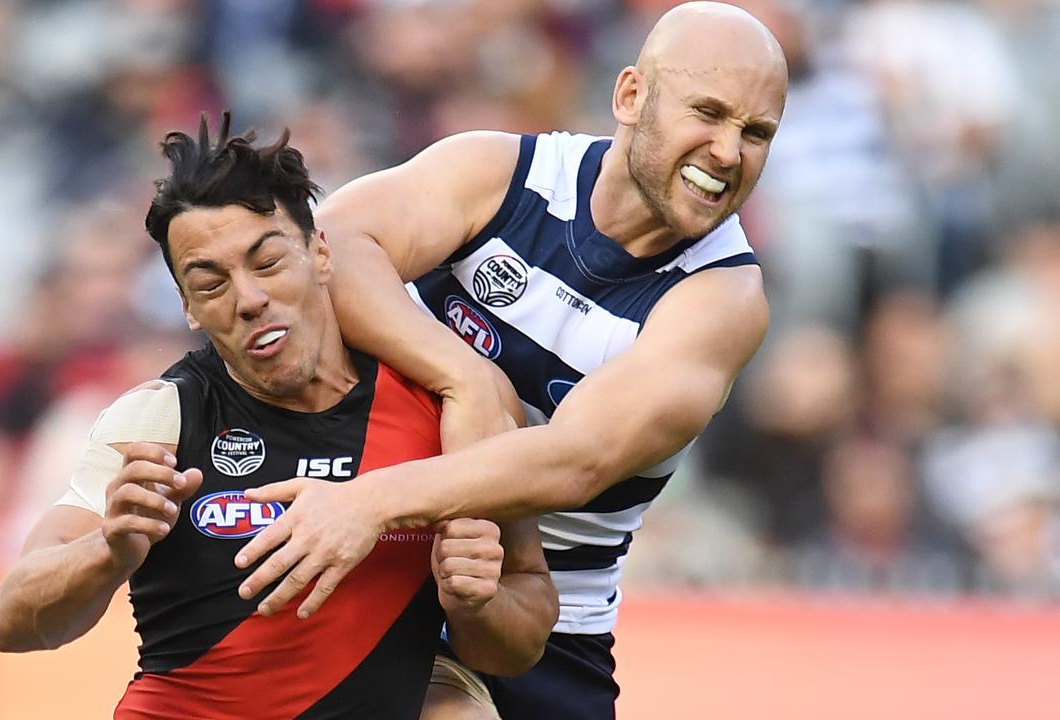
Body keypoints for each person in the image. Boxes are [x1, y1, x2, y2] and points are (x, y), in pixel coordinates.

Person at [229, 3, 790, 718]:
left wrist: (370, 501)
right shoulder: (505, 171)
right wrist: (463, 376)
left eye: (755, 133)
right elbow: (335, 243)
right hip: (383, 564)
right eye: (707, 112)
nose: (727, 151)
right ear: (630, 96)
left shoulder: (724, 299)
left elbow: (573, 461)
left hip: (540, 627)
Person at [0, 114, 558, 720]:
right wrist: (106, 552)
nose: (250, 299)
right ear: (187, 308)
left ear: (320, 252)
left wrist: (478, 602)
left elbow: (522, 631)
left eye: (267, 262)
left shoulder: (449, 404)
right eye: (211, 284)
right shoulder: (159, 419)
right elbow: (13, 621)